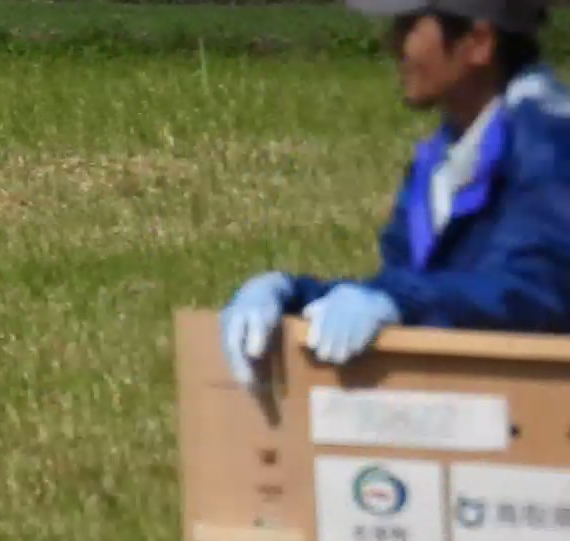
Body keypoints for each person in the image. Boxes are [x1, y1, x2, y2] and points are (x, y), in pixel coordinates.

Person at [219, 0, 570, 388]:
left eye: (408, 26)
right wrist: (293, 297)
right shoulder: (445, 159)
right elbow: (407, 288)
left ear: (479, 43)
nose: (392, 44)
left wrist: (400, 303)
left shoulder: (551, 148)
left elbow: (533, 295)